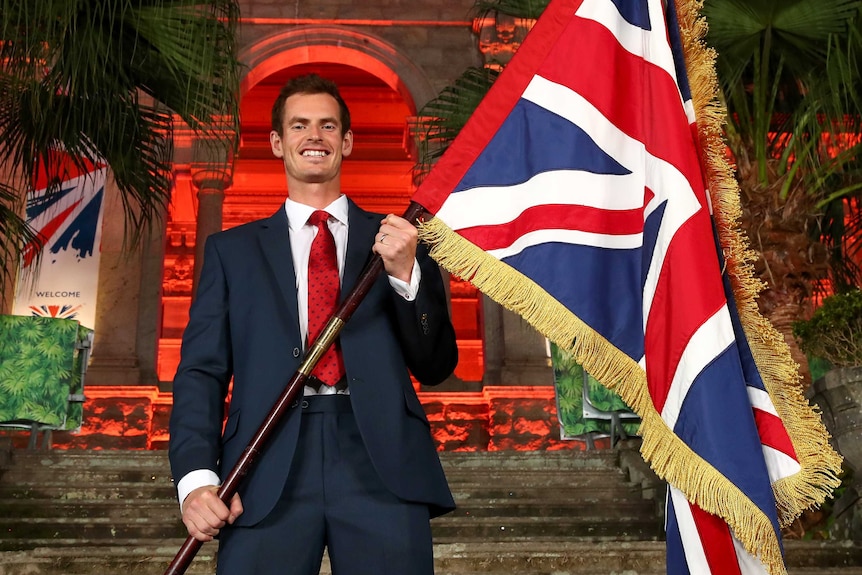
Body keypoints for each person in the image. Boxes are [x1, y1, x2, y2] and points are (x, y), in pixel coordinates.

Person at [168, 73, 459, 575]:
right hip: (262, 462)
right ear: (278, 142)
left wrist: (407, 276)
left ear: (346, 141)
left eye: (328, 126)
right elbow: (201, 372)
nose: (314, 137)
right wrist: (196, 479)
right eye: (299, 125)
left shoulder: (398, 240)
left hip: (382, 463)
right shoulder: (231, 253)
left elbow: (436, 366)